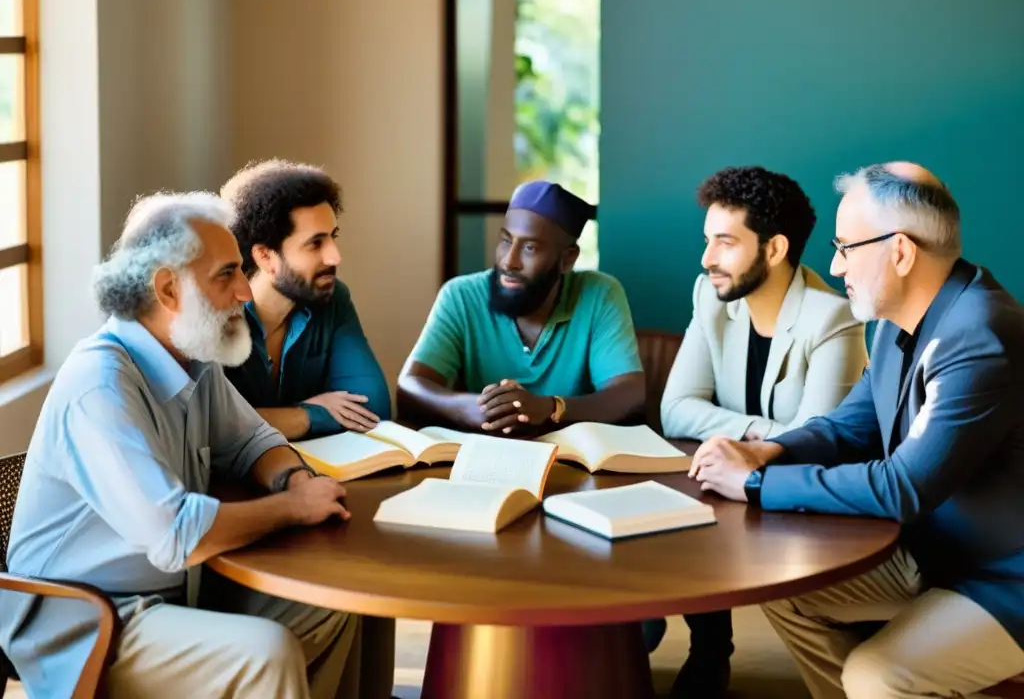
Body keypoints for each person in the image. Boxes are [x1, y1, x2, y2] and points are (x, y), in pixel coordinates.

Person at [0, 193, 388, 699]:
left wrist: (295, 478)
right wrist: (293, 507)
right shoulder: (100, 383)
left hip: (173, 592)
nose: (247, 292)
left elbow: (254, 440)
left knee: (342, 599)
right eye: (227, 274)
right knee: (265, 653)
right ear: (168, 289)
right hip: (86, 619)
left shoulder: (192, 358)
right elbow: (176, 533)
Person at [690, 162, 1024, 699]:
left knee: (877, 674)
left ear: (900, 251)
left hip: (1004, 581)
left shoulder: (979, 336)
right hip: (931, 553)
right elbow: (850, 426)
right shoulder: (897, 320)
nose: (834, 263)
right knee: (779, 582)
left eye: (845, 246)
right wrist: (765, 450)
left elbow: (903, 486)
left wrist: (754, 484)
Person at [651, 166, 868, 697]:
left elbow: (816, 440)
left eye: (725, 242)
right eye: (707, 240)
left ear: (774, 249)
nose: (707, 259)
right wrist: (761, 432)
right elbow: (676, 410)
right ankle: (709, 648)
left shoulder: (833, 320)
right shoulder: (711, 295)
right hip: (721, 481)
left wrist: (744, 439)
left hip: (801, 504)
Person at [397, 180, 644, 434]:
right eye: (505, 241)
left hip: (573, 465)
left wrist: (551, 408)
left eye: (529, 247)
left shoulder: (599, 294)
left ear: (567, 259)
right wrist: (467, 407)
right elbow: (410, 385)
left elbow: (630, 394)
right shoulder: (461, 296)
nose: (509, 261)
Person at [220, 159, 390, 441]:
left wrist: (259, 419)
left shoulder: (333, 298)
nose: (335, 257)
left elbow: (374, 408)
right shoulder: (217, 314)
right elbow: (217, 428)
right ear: (265, 256)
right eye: (315, 243)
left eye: (333, 237)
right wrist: (310, 413)